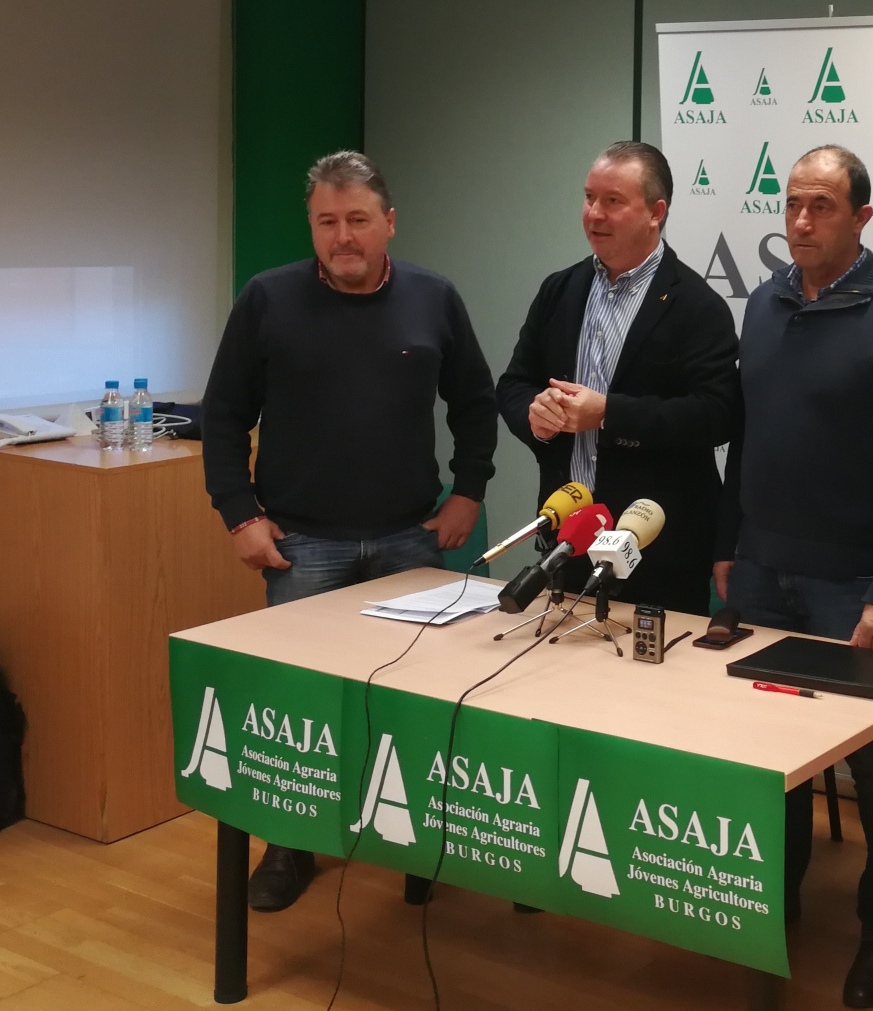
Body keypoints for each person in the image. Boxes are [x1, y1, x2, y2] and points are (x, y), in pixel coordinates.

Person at [201, 150, 500, 913]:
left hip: (410, 541)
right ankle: (288, 845)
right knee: (296, 708)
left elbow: (475, 402)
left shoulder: (433, 297)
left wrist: (468, 490)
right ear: (311, 226)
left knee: (415, 701)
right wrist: (239, 512)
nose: (343, 236)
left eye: (358, 219)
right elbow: (224, 414)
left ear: (389, 222)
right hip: (302, 544)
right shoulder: (267, 299)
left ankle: (418, 842)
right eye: (327, 221)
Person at [713, 145, 873, 1009]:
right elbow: (747, 434)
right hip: (761, 575)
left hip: (854, 584)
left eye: (821, 205)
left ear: (861, 218)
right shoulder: (765, 304)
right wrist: (729, 541)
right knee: (762, 759)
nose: (801, 220)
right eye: (791, 203)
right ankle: (767, 910)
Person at [498, 141, 739, 616]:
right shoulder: (560, 290)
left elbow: (717, 414)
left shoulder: (696, 305)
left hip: (658, 550)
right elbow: (513, 384)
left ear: (655, 213)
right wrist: (535, 415)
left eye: (612, 201)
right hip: (568, 539)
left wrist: (609, 413)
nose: (594, 214)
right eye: (589, 198)